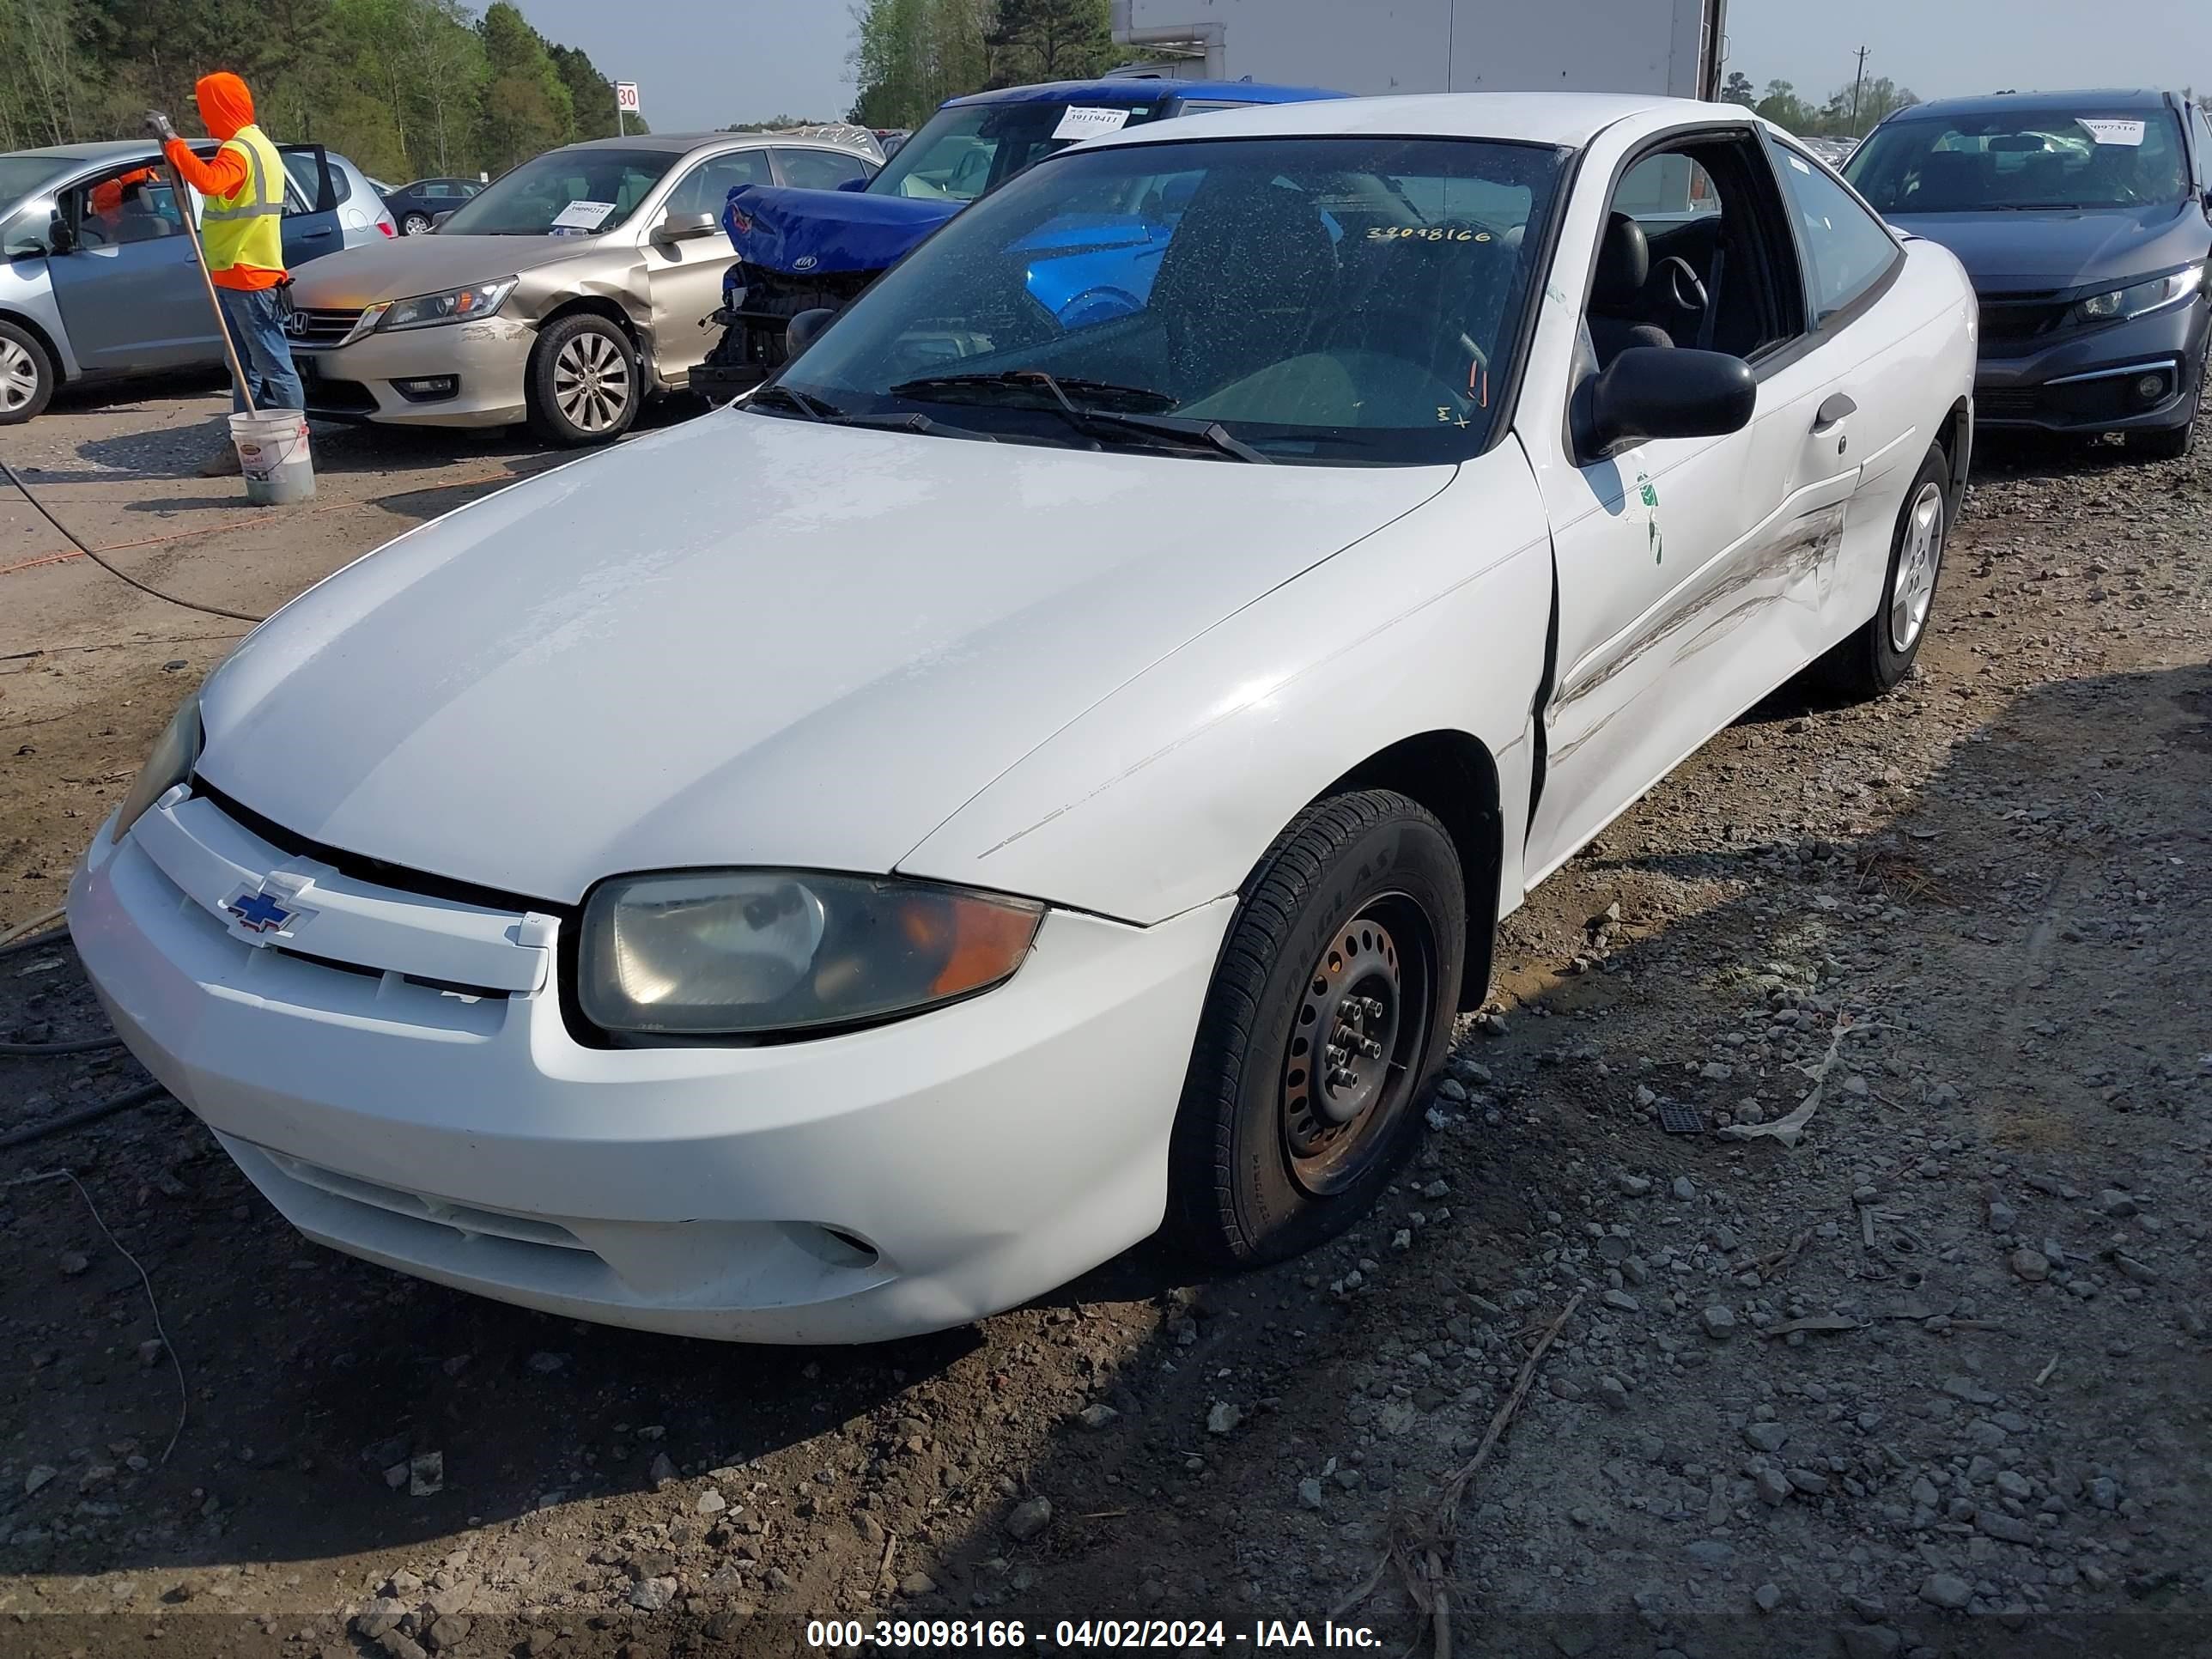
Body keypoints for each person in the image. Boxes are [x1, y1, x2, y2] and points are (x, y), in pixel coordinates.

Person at [152, 72, 302, 476]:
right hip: (242, 272)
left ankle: (296, 449)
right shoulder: (260, 146)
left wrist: (172, 141)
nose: (204, 120)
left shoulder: (240, 150)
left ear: (220, 108)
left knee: (271, 364)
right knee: (243, 365)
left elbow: (209, 181)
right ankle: (248, 447)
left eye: (205, 110)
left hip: (247, 273)